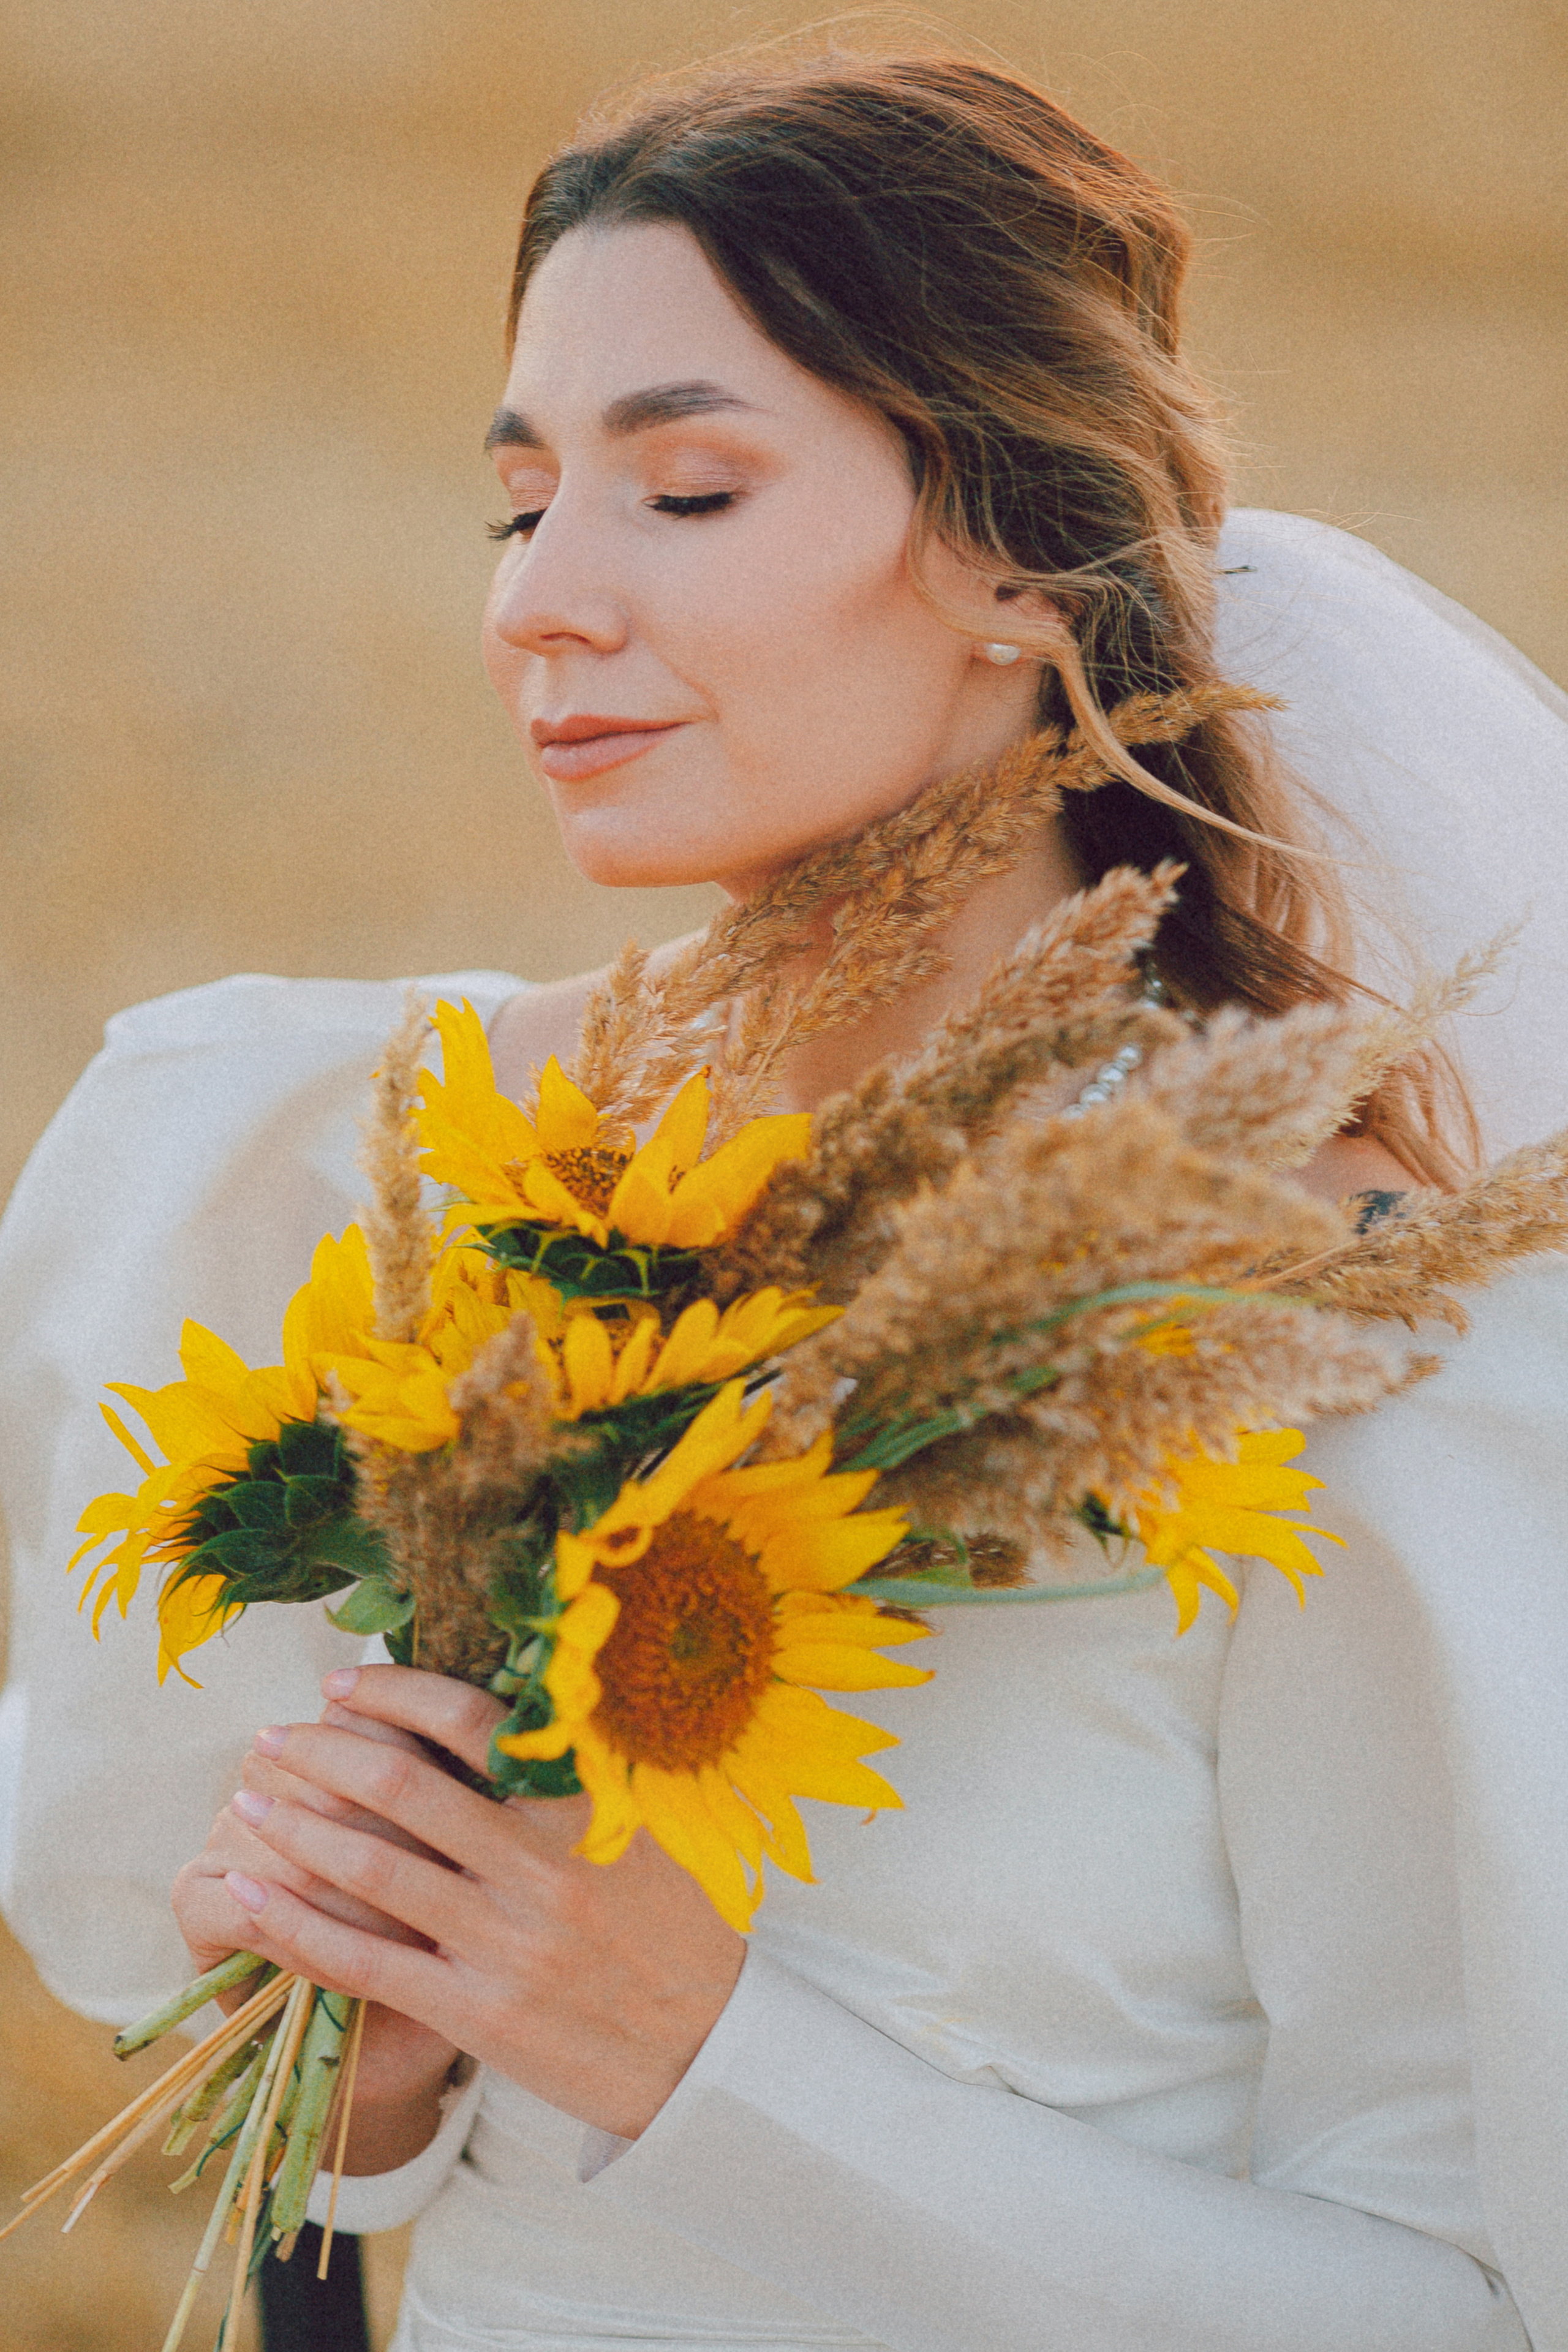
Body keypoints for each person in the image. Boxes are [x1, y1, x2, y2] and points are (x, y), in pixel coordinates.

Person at [3, 50, 1567, 2352]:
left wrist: (697, 2059)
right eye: (523, 505)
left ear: (1028, 556)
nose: (544, 601)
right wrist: (383, 2030)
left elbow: (1467, 2308)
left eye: (690, 487)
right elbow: (351, 2168)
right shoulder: (398, 1176)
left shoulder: (1332, 1332)